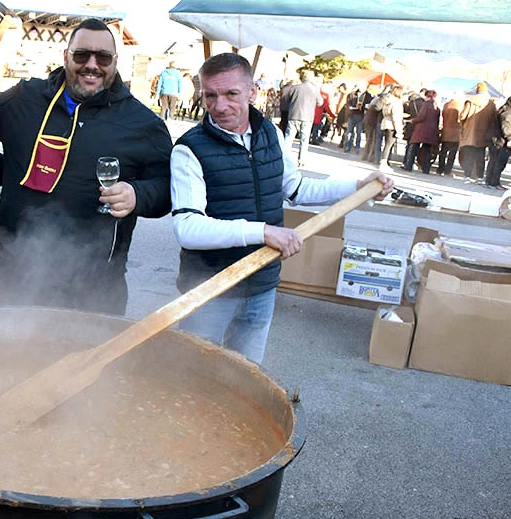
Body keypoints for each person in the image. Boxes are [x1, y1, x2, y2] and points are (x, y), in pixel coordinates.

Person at [170, 53, 393, 364]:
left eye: (231, 94)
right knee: (190, 374)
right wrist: (263, 232)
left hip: (262, 284)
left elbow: (298, 189)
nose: (219, 106)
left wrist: (358, 186)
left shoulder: (270, 134)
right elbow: (188, 228)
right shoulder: (188, 148)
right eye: (210, 95)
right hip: (210, 287)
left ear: (252, 92)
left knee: (245, 380)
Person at [0, 18, 172, 316]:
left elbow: (167, 187)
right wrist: (3, 168)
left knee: (89, 363)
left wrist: (138, 195)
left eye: (102, 57)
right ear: (65, 57)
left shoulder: (143, 123)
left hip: (95, 289)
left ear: (114, 62)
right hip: (16, 275)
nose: (91, 65)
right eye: (81, 55)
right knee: (8, 361)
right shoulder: (24, 99)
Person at [459, 83, 497, 185]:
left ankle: (467, 176)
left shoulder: (471, 102)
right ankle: (480, 177)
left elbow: (462, 116)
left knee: (469, 155)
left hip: (470, 133)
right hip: (484, 135)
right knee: (480, 156)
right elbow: (493, 120)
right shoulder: (491, 104)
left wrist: (464, 125)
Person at [283, 70, 323, 167]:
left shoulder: (295, 87)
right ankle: (301, 160)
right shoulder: (315, 89)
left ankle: (284, 158)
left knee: (289, 138)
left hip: (294, 115)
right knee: (304, 140)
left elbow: (287, 99)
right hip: (307, 117)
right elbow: (320, 102)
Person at [484, 95, 511, 190]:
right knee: (499, 162)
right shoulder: (507, 112)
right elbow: (505, 126)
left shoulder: (503, 110)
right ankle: (494, 183)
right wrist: (509, 139)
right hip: (501, 141)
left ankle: (489, 181)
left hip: (495, 140)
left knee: (493, 161)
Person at [404, 90, 440, 174]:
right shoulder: (437, 107)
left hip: (422, 129)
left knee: (414, 148)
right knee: (427, 150)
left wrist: (412, 120)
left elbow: (421, 117)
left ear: (427, 96)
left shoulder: (426, 104)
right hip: (431, 131)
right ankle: (426, 169)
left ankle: (409, 166)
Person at [377, 84, 404, 172]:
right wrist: (399, 131)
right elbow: (396, 117)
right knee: (388, 145)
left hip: (385, 122)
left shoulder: (388, 100)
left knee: (386, 144)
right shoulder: (396, 102)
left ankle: (384, 162)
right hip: (392, 125)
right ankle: (384, 163)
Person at [436, 96, 461, 176]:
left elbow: (443, 116)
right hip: (456, 134)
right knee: (452, 154)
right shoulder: (459, 106)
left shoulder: (446, 105)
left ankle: (440, 169)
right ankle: (447, 171)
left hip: (446, 131)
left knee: (443, 152)